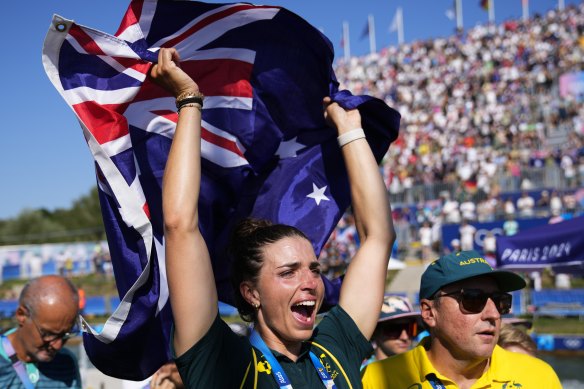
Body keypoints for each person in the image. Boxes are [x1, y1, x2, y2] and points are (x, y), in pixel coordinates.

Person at [152, 48, 395, 387]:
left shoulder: (335, 349)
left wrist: (350, 130)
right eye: (287, 272)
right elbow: (180, 225)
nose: (309, 281)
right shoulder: (224, 362)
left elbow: (378, 237)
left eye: (314, 269)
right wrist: (188, 100)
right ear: (251, 293)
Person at [361, 250, 562, 388]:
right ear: (429, 312)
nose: (493, 314)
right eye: (473, 299)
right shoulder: (377, 379)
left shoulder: (538, 377)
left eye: (500, 301)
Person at [0, 275, 81, 388]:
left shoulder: (66, 362)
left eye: (64, 335)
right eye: (48, 334)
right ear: (22, 315)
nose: (57, 346)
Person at [362, 295, 421, 367]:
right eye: (394, 329)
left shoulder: (419, 371)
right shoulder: (359, 375)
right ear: (375, 332)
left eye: (410, 329)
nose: (405, 337)